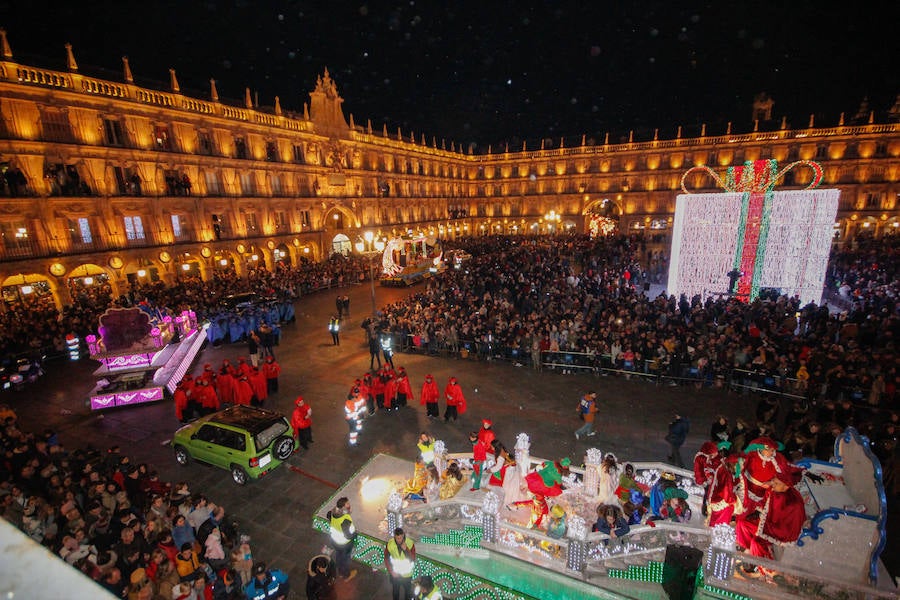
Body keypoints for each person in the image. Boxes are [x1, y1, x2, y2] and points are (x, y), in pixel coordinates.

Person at [326, 497, 357, 581]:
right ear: (343, 507)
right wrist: (355, 534)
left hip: (335, 541)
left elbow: (328, 515)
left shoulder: (333, 513)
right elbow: (348, 535)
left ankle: (339, 571)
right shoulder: (345, 520)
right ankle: (346, 575)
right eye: (347, 504)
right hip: (344, 544)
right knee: (346, 559)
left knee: (339, 555)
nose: (349, 504)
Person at [384, 527, 416, 600]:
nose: (399, 540)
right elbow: (386, 559)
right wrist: (391, 572)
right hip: (395, 574)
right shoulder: (390, 544)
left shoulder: (410, 543)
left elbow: (412, 559)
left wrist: (406, 550)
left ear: (403, 535)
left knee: (407, 593)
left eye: (401, 538)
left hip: (407, 574)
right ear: (394, 536)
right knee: (395, 591)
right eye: (397, 538)